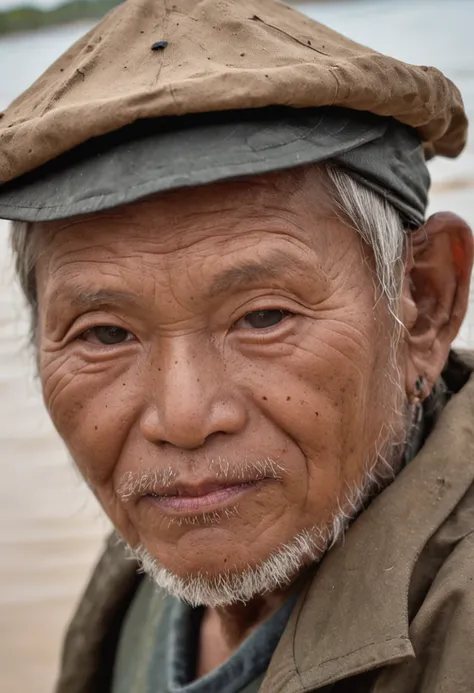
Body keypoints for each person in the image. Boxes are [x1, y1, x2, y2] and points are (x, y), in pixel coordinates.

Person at [1, 0, 473, 691]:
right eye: (105, 333)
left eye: (263, 317)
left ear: (424, 305)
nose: (184, 418)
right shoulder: (162, 558)